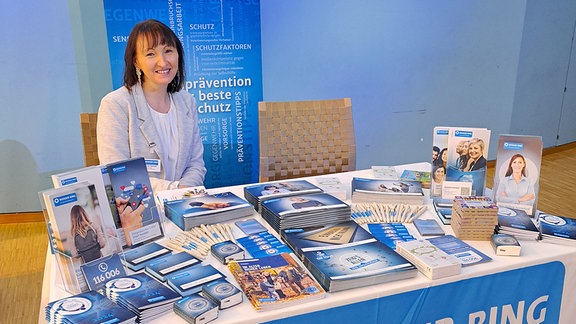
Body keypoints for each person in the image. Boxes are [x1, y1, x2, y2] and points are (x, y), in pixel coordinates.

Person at [97, 19, 206, 192]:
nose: (162, 62)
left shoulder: (187, 101)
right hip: (140, 211)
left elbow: (196, 164)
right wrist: (175, 190)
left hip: (185, 203)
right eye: (150, 54)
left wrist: (184, 193)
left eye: (168, 51)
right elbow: (118, 174)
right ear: (136, 61)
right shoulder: (116, 104)